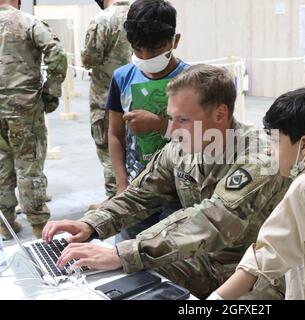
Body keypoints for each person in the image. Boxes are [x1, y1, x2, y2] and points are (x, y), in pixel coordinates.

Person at [42, 65, 290, 300]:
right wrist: (91, 224)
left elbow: (213, 219)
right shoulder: (182, 148)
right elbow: (140, 194)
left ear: (220, 114)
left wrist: (124, 252)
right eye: (172, 119)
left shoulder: (262, 157)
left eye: (183, 120)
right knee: (115, 283)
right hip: (201, 260)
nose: (173, 129)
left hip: (255, 273)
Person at [208, 87, 305, 300]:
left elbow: (261, 261)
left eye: (275, 141)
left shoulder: (304, 190)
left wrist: (213, 300)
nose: (268, 150)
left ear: (304, 145)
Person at [108, 0, 189, 239]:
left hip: (180, 192)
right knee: (128, 255)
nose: (144, 57)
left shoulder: (193, 80)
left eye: (154, 51)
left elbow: (209, 139)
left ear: (175, 41)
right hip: (137, 190)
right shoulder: (122, 77)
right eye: (137, 49)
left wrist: (160, 125)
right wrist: (122, 184)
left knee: (173, 259)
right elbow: (114, 134)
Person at [0, 0, 67, 240]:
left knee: (1, 163)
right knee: (29, 165)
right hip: (24, 107)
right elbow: (56, 53)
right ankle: (38, 223)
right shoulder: (29, 22)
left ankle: (4, 224)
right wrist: (51, 91)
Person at [81, 0, 132, 207]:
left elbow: (89, 59)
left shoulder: (102, 20)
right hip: (139, 95)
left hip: (107, 97)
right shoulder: (140, 13)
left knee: (110, 148)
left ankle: (115, 203)